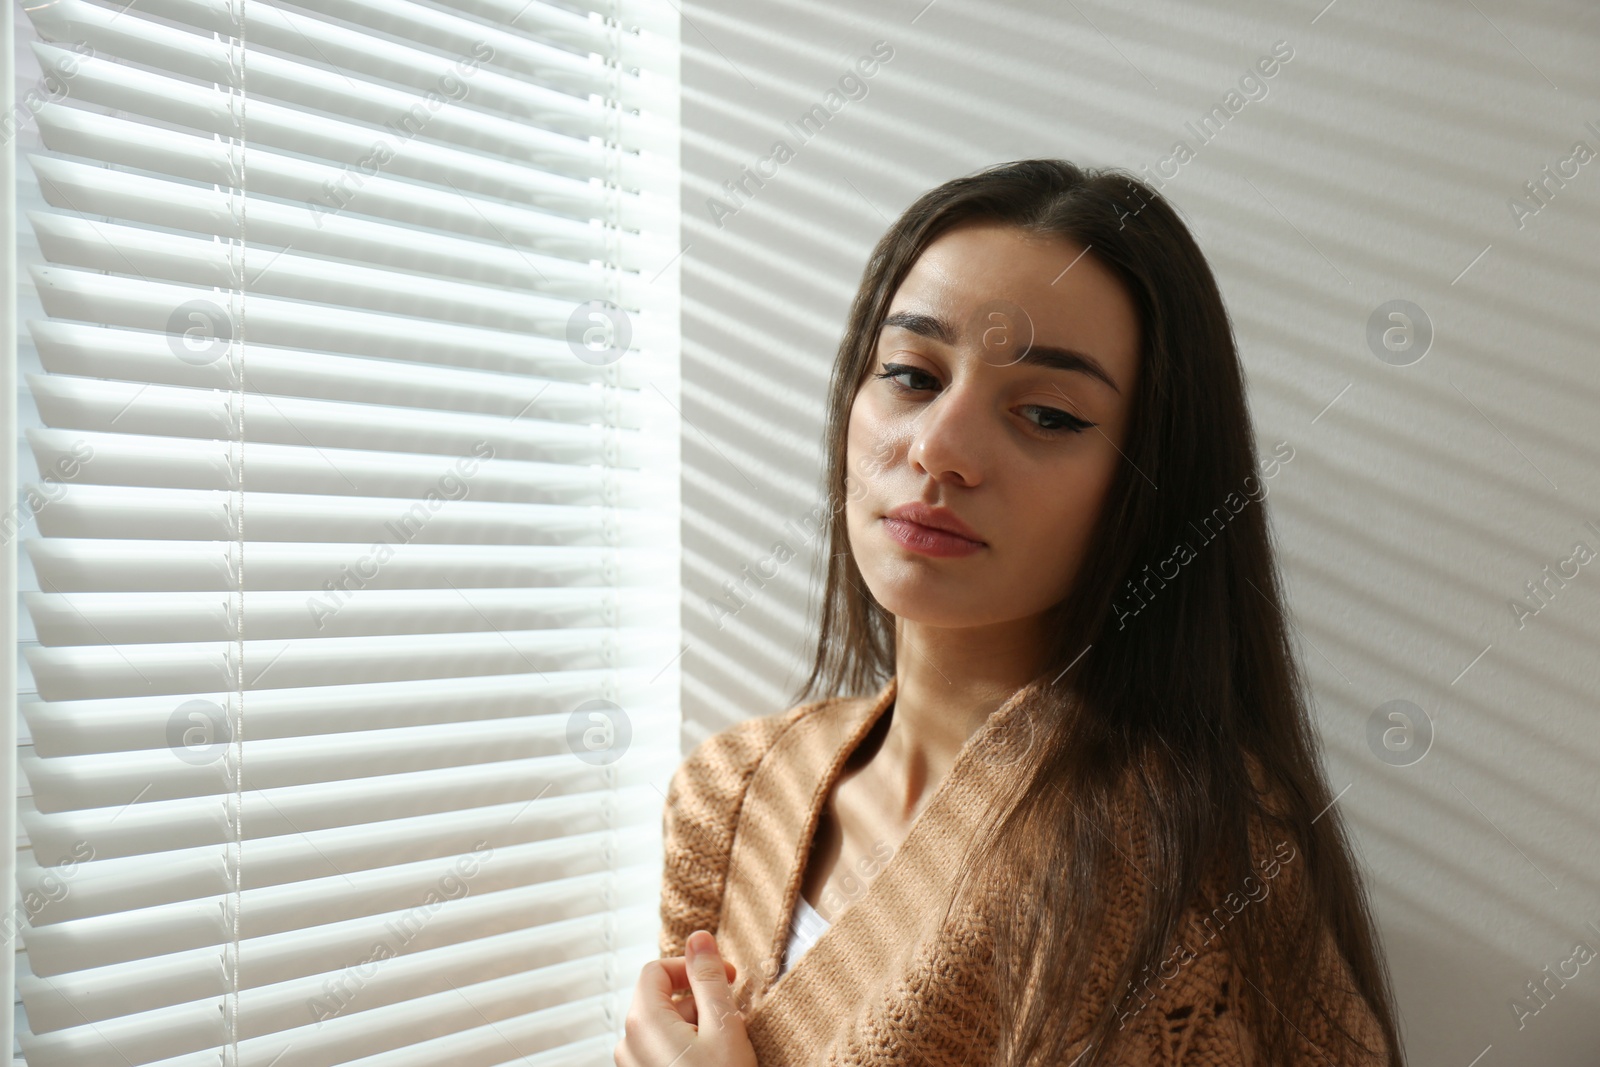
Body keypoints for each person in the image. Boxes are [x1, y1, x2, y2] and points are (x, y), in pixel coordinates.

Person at [615, 159, 1404, 1066]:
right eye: (911, 374)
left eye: (1048, 414)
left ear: (1149, 484)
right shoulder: (730, 794)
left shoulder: (1175, 855)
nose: (940, 449)